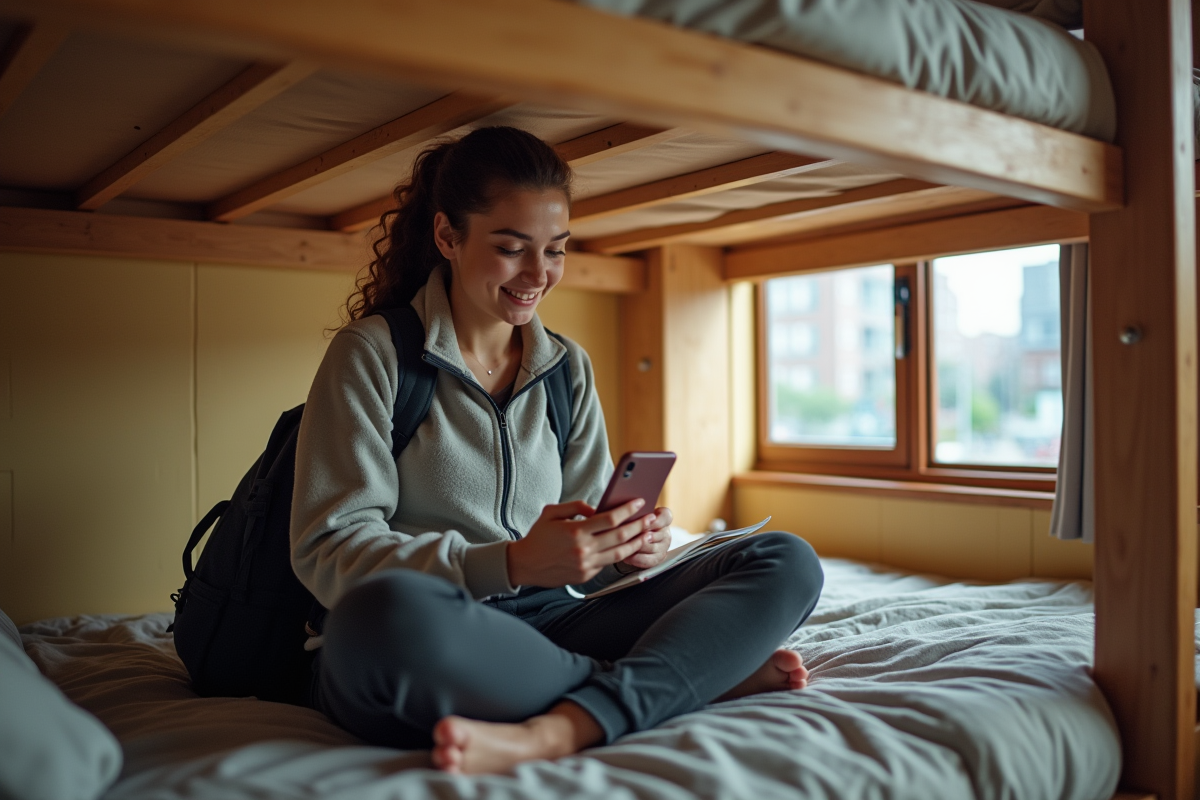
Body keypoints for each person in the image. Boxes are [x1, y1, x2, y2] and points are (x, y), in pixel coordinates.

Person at [290, 126, 824, 775]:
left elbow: (587, 565)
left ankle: (560, 728)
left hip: (553, 626)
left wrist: (625, 552)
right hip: (442, 630)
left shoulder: (566, 367)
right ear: (447, 237)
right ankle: (678, 678)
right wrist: (508, 562)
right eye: (513, 249)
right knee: (380, 620)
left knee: (785, 559)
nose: (538, 275)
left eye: (556, 250)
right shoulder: (373, 356)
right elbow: (329, 553)